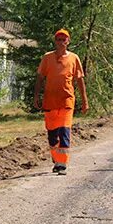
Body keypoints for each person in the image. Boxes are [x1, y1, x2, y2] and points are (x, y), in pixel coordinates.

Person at [33, 29, 89, 175]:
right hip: (50, 102)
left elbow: (80, 80)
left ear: (68, 42)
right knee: (52, 135)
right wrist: (36, 97)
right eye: (58, 39)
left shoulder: (74, 58)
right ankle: (56, 158)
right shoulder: (47, 58)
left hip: (67, 101)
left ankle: (62, 163)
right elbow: (40, 78)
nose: (61, 42)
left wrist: (84, 101)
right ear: (55, 41)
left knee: (64, 132)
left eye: (64, 39)